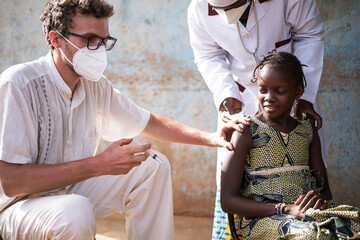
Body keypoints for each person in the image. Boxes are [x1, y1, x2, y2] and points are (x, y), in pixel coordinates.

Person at [0, 1, 251, 239]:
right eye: (90, 40)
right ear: (56, 39)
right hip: (17, 208)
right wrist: (97, 164)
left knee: (153, 166)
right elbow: (12, 182)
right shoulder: (19, 84)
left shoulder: (95, 86)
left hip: (69, 192)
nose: (98, 48)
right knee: (74, 212)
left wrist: (211, 138)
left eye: (104, 40)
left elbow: (149, 122)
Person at [187, 0, 331, 238]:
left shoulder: (306, 130)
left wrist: (305, 96)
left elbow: (310, 34)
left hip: (296, 100)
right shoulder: (198, 8)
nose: (226, 14)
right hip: (240, 98)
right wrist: (227, 95)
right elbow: (207, 55)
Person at [220, 52, 360, 239]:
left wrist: (319, 199)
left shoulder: (307, 131)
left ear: (298, 92)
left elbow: (325, 191)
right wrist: (284, 209)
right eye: (263, 90)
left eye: (279, 91)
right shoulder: (246, 131)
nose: (269, 97)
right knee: (310, 236)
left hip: (305, 214)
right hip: (261, 218)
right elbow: (228, 201)